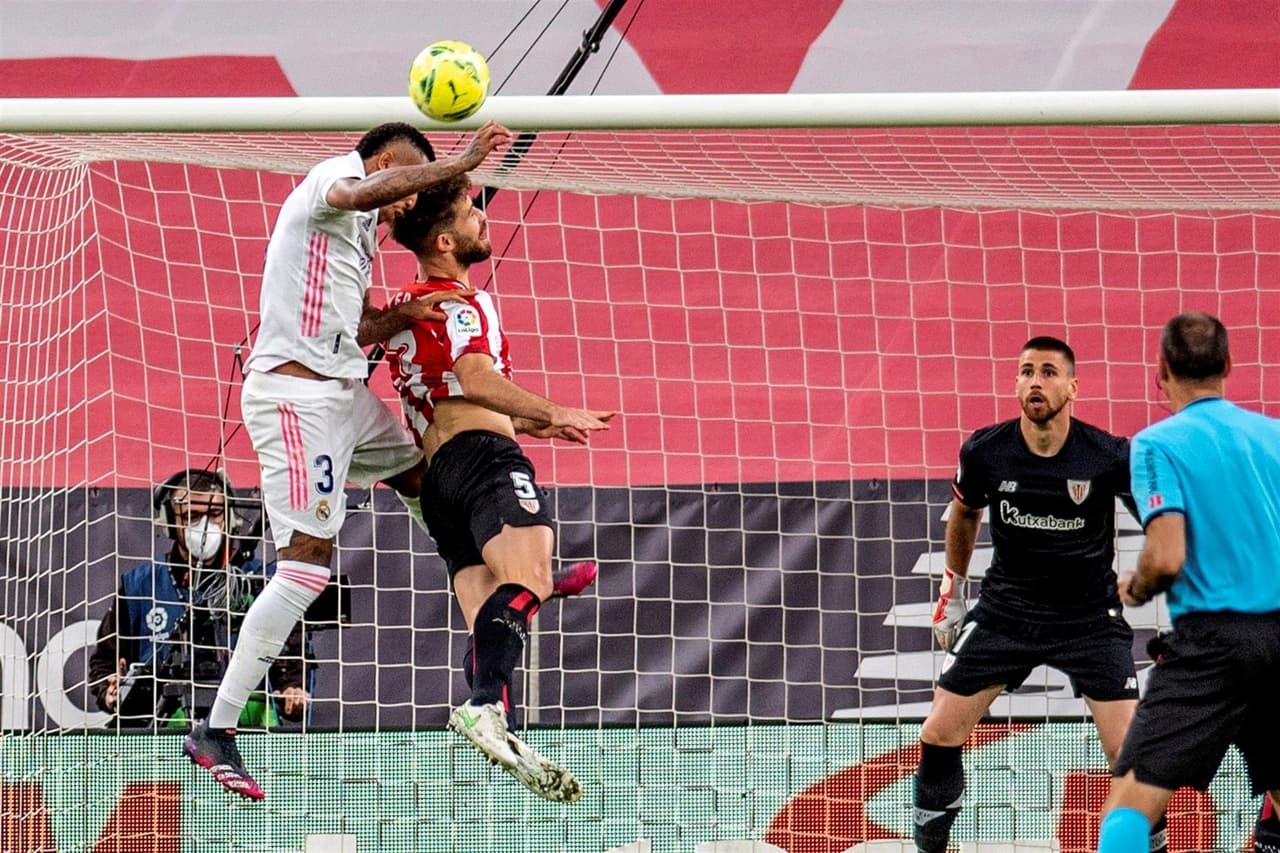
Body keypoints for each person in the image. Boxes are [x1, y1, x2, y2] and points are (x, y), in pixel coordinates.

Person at [185, 121, 511, 800]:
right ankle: (215, 728)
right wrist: (461, 160)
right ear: (391, 164)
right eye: (404, 190)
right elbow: (367, 190)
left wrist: (416, 308)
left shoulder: (354, 237)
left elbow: (359, 327)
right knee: (305, 567)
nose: (403, 212)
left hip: (340, 393)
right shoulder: (329, 184)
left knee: (428, 475)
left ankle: (502, 575)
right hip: (295, 398)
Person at [383, 175, 615, 802]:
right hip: (485, 459)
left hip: (440, 482)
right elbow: (475, 379)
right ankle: (487, 703)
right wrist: (556, 409)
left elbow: (446, 393)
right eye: (470, 214)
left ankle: (495, 716)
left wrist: (537, 422)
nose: (484, 222)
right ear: (444, 239)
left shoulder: (399, 309)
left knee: (486, 614)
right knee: (528, 583)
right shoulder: (463, 301)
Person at [915, 336, 1165, 853]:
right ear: (1016, 384)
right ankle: (930, 847)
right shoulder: (985, 450)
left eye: (1049, 372)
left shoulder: (1108, 455)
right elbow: (964, 513)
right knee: (938, 733)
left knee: (1132, 759)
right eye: (1026, 371)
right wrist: (953, 590)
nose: (1036, 381)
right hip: (1008, 612)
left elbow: (1159, 525)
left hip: (1089, 619)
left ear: (1073, 387)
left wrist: (1164, 577)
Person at [1098, 312, 1280, 853]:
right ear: (1227, 365)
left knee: (1130, 806)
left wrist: (1135, 586)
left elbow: (1168, 554)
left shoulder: (1156, 445)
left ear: (1160, 372)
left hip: (1213, 644)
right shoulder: (1274, 436)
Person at [91, 469, 312, 730]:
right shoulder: (138, 585)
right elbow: (105, 661)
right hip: (162, 727)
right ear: (170, 522)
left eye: (214, 514)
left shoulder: (262, 580)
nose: (204, 525)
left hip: (247, 722)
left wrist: (292, 689)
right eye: (191, 516)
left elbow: (292, 654)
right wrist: (109, 687)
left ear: (229, 517)